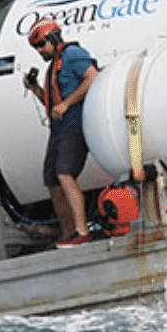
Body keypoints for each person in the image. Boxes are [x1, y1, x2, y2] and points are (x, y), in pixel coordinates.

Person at [23, 18, 99, 247]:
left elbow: (93, 77)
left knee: (65, 175)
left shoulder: (72, 54)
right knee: (53, 181)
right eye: (36, 47)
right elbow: (53, 102)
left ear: (54, 38)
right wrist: (35, 89)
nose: (39, 50)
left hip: (74, 126)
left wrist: (67, 104)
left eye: (41, 44)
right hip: (58, 130)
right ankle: (68, 233)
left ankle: (81, 230)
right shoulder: (53, 66)